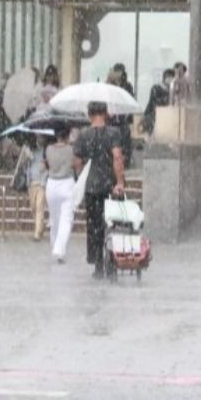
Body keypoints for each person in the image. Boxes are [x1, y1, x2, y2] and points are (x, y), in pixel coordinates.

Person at [73, 102, 127, 279]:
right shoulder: (113, 133)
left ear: (89, 115)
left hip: (91, 187)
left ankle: (97, 264)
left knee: (94, 226)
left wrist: (83, 177)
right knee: (112, 225)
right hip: (109, 186)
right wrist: (119, 182)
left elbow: (77, 161)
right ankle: (112, 261)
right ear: (106, 113)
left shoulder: (82, 135)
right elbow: (117, 157)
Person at [44, 125, 76, 263]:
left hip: (51, 184)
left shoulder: (48, 149)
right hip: (67, 183)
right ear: (68, 135)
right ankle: (59, 249)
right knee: (66, 219)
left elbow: (47, 165)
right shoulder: (71, 150)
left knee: (54, 219)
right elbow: (75, 164)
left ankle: (55, 245)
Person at [18, 136, 47, 241]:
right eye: (38, 137)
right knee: (33, 207)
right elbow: (26, 166)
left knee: (40, 207)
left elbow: (47, 166)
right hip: (31, 182)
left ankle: (37, 233)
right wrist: (25, 156)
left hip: (41, 183)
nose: (40, 139)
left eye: (41, 137)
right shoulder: (31, 151)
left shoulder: (46, 152)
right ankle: (40, 227)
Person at [107, 63, 136, 168]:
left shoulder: (127, 86)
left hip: (122, 120)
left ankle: (124, 162)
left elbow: (130, 101)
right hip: (111, 122)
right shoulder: (107, 89)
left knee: (124, 144)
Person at [142, 69, 175, 136]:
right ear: (164, 78)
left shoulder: (173, 90)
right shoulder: (156, 88)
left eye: (172, 77)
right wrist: (167, 98)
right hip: (153, 115)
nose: (170, 79)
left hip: (167, 117)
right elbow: (155, 102)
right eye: (168, 77)